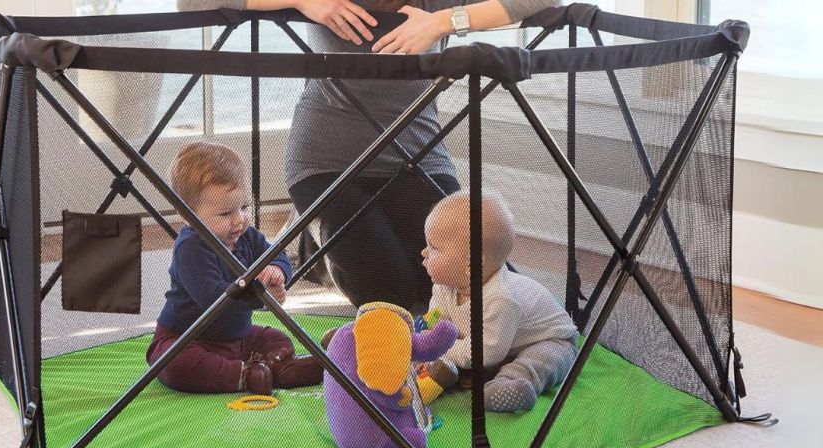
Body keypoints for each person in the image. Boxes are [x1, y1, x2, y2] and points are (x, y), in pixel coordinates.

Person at [177, 0, 557, 314]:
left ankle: (322, 248)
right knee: (392, 298)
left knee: (487, 285)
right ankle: (329, 246)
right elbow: (190, 2)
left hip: (418, 159)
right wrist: (303, 1)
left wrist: (445, 22)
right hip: (326, 164)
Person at [147, 142, 323, 396]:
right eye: (226, 213)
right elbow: (214, 297)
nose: (239, 219)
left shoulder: (247, 236)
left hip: (238, 339)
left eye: (244, 207)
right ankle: (246, 376)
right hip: (187, 339)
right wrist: (261, 295)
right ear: (187, 216)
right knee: (176, 365)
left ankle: (273, 370)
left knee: (276, 339)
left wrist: (277, 270)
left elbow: (279, 256)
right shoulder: (190, 248)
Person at [416, 192, 579, 412]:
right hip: (499, 343)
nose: (423, 252)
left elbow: (483, 352)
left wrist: (441, 350)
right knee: (457, 354)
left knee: (540, 361)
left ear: (471, 265)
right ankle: (481, 373)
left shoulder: (501, 299)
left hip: (550, 339)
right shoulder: (444, 287)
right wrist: (426, 346)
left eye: (434, 248)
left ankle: (508, 386)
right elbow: (439, 328)